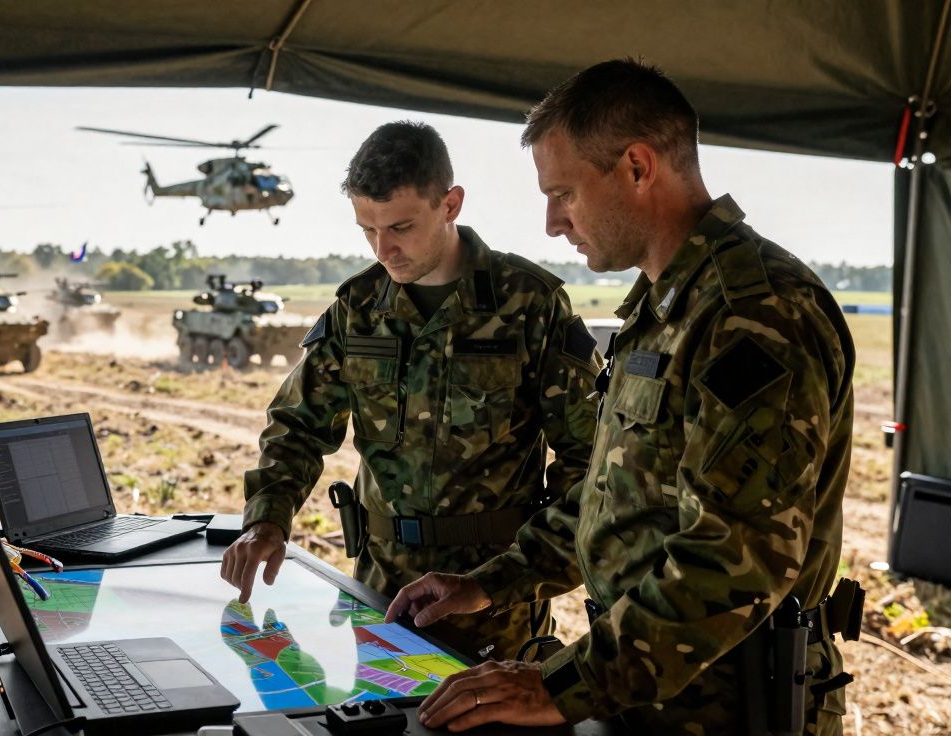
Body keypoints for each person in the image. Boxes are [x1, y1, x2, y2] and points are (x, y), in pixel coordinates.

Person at [386, 59, 857, 734]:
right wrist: (493, 581)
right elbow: (619, 496)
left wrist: (566, 684)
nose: (553, 223)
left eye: (565, 194)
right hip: (647, 695)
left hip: (730, 706)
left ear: (638, 167)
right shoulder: (664, 311)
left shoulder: (755, 315)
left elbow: (737, 558)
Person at [220, 121, 601, 661]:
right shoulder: (358, 308)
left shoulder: (528, 305)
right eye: (367, 230)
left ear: (450, 204)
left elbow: (592, 462)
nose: (384, 250)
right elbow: (297, 425)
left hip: (492, 599)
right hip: (380, 595)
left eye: (400, 226)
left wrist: (520, 572)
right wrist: (267, 519)